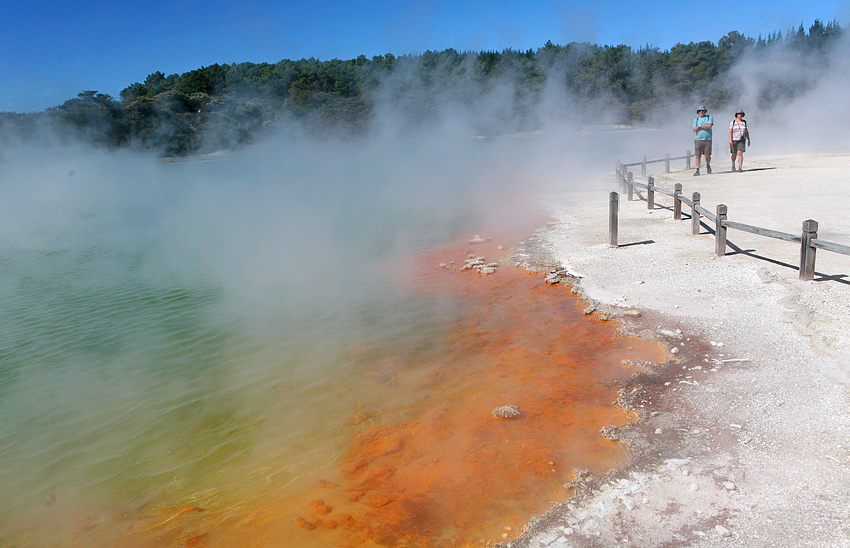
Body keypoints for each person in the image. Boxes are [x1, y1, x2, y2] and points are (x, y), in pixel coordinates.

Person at [692, 106, 713, 176]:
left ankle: (708, 165)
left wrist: (700, 126)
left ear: (705, 111)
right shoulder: (696, 119)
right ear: (698, 112)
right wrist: (704, 126)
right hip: (698, 139)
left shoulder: (709, 117)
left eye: (703, 111)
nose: (701, 112)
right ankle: (697, 169)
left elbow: (709, 126)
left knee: (707, 155)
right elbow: (694, 129)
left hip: (707, 139)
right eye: (700, 111)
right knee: (698, 155)